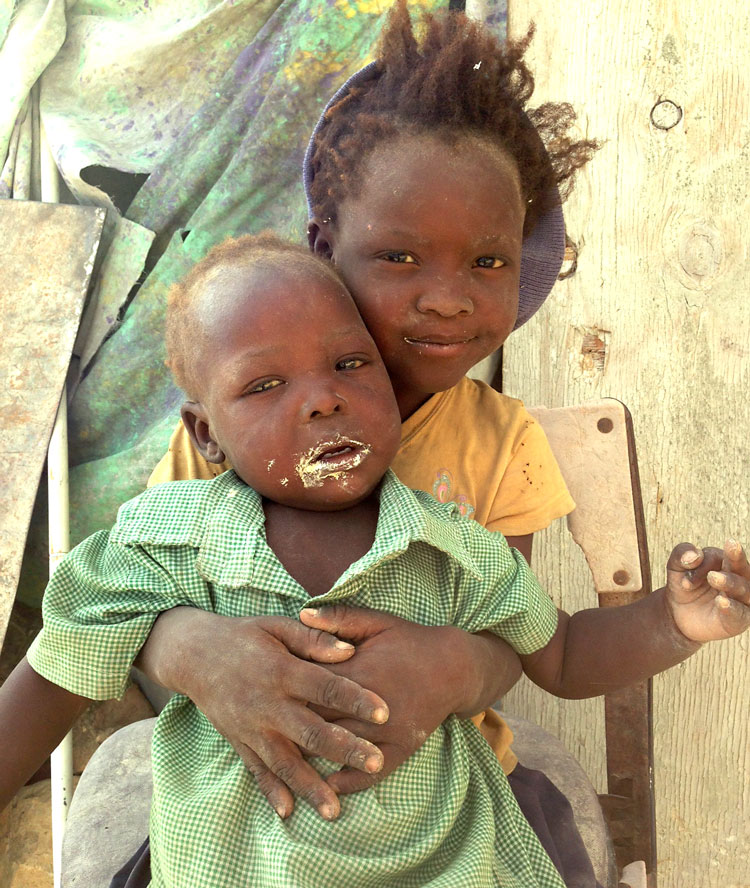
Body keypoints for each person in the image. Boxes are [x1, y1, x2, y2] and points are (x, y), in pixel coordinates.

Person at [2, 234, 749, 888]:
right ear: (207, 434)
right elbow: (48, 683)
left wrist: (672, 621)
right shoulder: (160, 543)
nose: (323, 399)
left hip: (442, 868)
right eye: (265, 386)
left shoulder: (452, 543)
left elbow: (562, 653)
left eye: (350, 364)